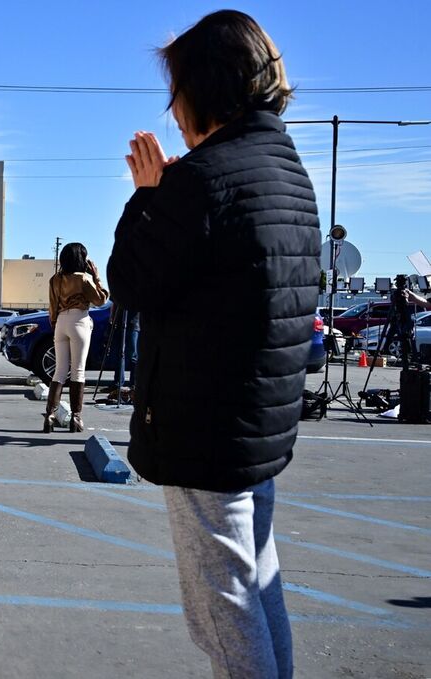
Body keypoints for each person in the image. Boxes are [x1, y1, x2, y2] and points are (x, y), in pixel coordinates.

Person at [107, 10, 319, 679]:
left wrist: (148, 196)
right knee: (258, 585)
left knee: (223, 613)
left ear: (203, 88)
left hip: (204, 428)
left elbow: (133, 281)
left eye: (175, 95)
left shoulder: (203, 178)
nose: (173, 113)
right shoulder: (285, 168)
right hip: (259, 425)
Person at [45, 243, 108, 433]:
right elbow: (101, 300)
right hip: (79, 320)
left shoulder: (55, 279)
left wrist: (56, 324)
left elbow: (52, 307)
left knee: (59, 371)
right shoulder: (83, 279)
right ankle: (76, 417)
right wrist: (96, 277)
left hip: (61, 322)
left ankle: (50, 415)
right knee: (78, 371)